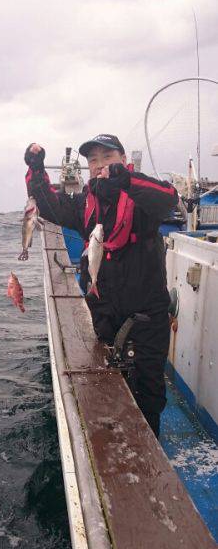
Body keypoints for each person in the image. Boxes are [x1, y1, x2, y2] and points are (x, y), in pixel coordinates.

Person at [24, 134, 179, 438]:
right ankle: (113, 440)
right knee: (108, 380)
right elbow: (51, 207)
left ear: (122, 159)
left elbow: (169, 197)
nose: (99, 165)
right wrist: (36, 168)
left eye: (107, 157)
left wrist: (126, 181)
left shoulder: (140, 194)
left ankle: (147, 449)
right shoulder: (85, 202)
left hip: (147, 316)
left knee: (149, 391)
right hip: (105, 311)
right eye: (93, 160)